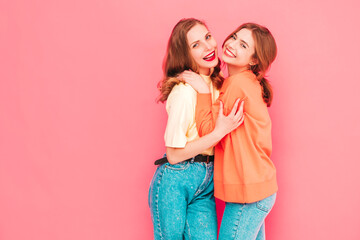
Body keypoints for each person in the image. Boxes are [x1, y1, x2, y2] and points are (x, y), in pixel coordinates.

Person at [148, 18, 244, 240]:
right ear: (186, 55)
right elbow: (172, 155)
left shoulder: (220, 86)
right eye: (196, 45)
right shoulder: (184, 92)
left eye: (208, 37)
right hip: (176, 179)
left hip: (207, 180)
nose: (208, 47)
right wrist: (218, 132)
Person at [181, 23, 278, 240]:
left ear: (254, 60)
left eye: (243, 45)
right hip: (258, 188)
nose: (232, 44)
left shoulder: (237, 85)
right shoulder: (245, 82)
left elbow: (209, 132)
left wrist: (203, 91)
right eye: (234, 37)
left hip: (249, 194)